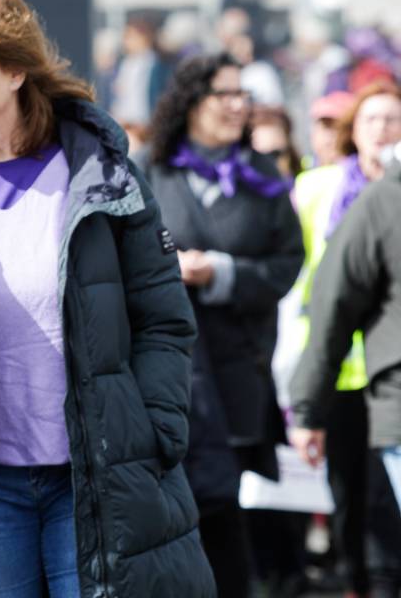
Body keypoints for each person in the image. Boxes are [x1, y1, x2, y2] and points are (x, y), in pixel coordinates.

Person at [0, 0, 214, 598]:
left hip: (94, 475)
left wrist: (155, 430)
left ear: (15, 71)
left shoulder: (102, 173)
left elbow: (164, 318)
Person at [141, 53, 305, 598]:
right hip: (166, 375)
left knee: (223, 514)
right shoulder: (151, 171)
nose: (239, 105)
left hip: (236, 371)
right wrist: (167, 267)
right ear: (191, 102)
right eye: (225, 94)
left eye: (244, 95)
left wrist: (222, 272)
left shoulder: (263, 177)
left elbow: (287, 264)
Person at [289, 84, 401, 598]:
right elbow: (321, 293)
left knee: (380, 505)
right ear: (354, 131)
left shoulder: (386, 196)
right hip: (343, 369)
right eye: (371, 119)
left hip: (378, 375)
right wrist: (307, 398)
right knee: (351, 499)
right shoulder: (321, 189)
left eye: (392, 118)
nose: (382, 129)